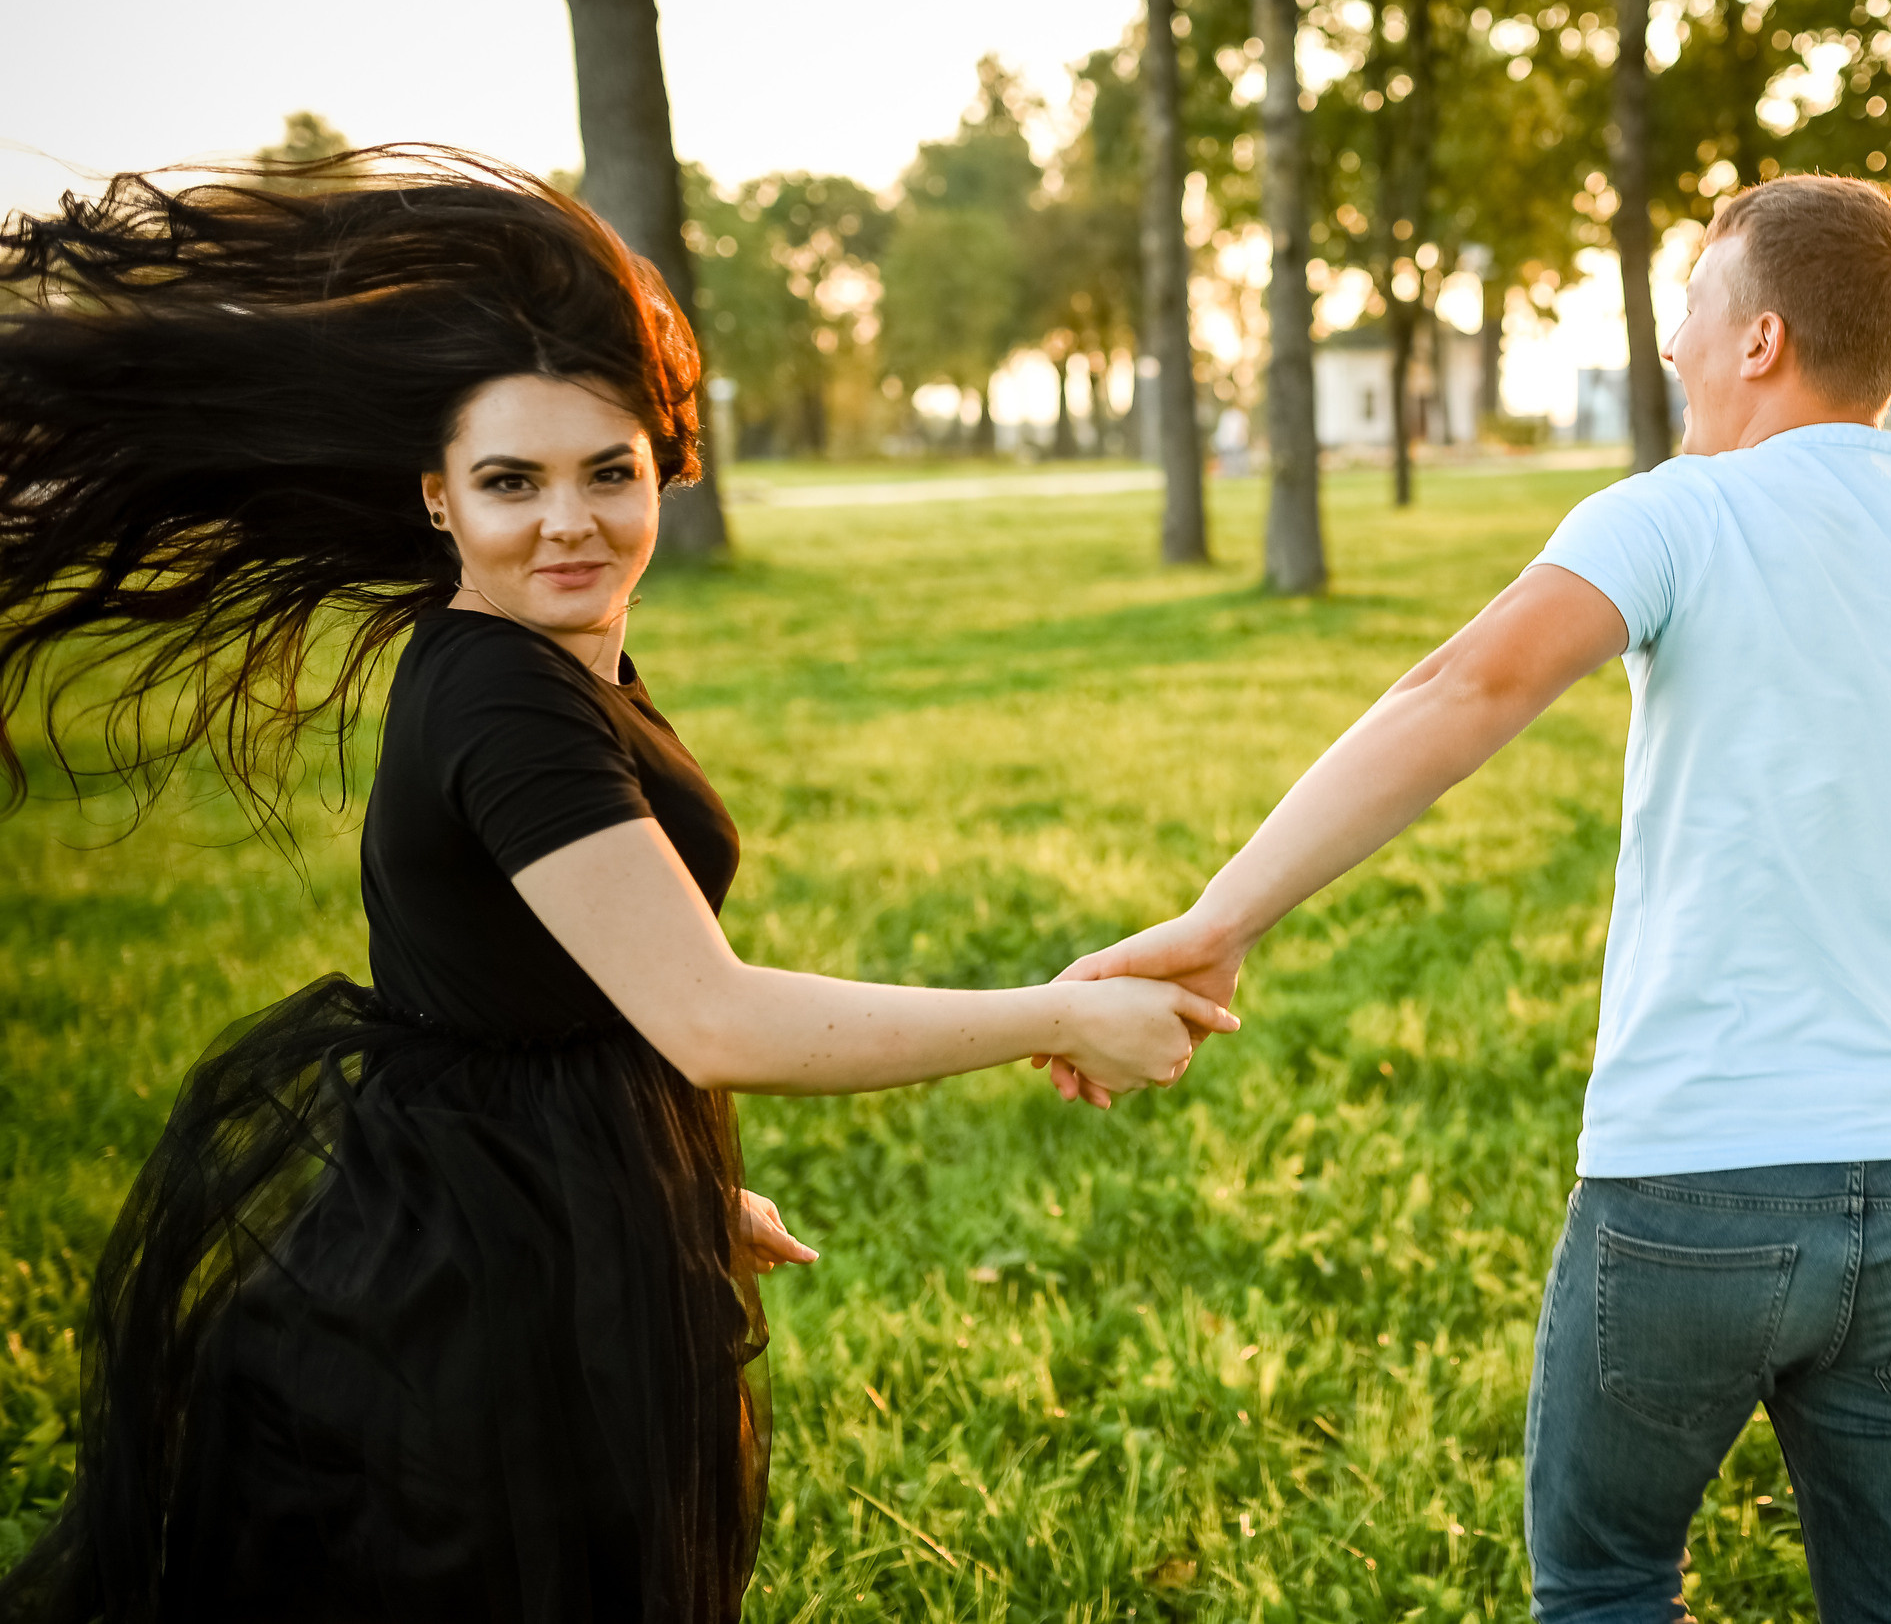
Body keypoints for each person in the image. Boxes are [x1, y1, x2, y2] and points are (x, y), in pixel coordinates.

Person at [0, 151, 1234, 1624]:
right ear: (437, 498)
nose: (568, 523)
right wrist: (1057, 1012)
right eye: (511, 482)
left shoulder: (548, 660)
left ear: (665, 467)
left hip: (549, 1219)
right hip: (480, 1287)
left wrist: (671, 1186)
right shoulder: (505, 699)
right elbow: (710, 1014)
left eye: (610, 472)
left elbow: (574, 992)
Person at [1055, 175, 1891, 1620]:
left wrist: (1222, 916)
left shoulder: (1677, 515)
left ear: (1762, 339)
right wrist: (1871, 921)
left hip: (1693, 1183)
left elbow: (1464, 686)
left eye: (1693, 309)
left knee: (1606, 1581)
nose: (1672, 344)